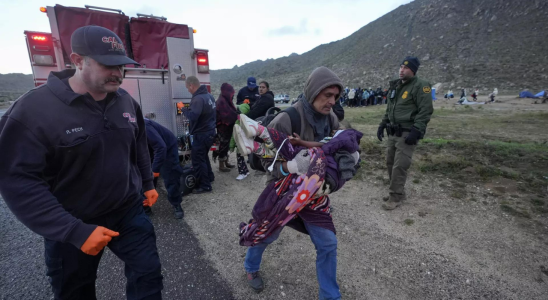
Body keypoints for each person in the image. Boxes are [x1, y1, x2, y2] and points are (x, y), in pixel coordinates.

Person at [0, 25, 163, 299]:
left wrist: (147, 183)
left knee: (148, 275)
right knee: (75, 291)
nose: (118, 73)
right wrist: (72, 230)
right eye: (108, 64)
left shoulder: (126, 102)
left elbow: (139, 146)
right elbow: (17, 180)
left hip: (128, 211)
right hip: (73, 220)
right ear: (77, 60)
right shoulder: (32, 111)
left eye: (121, 66)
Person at [242, 67, 345, 300]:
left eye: (335, 96)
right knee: (267, 234)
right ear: (313, 91)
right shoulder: (286, 120)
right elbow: (264, 162)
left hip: (313, 194)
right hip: (282, 193)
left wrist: (335, 177)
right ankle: (250, 267)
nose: (331, 101)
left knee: (327, 242)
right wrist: (292, 168)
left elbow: (340, 151)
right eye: (327, 95)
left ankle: (330, 296)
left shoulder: (331, 119)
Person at [377, 56, 434, 210]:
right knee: (390, 163)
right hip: (393, 131)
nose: (402, 70)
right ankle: (397, 192)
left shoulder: (421, 86)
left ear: (413, 70)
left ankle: (395, 197)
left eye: (406, 68)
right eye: (401, 67)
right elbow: (390, 109)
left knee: (400, 165)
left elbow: (425, 110)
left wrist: (417, 129)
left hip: (407, 133)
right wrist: (382, 124)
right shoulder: (396, 86)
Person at [144, 115, 185, 219]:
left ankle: (176, 204)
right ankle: (146, 205)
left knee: (170, 175)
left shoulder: (143, 125)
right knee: (144, 176)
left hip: (167, 146)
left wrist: (155, 170)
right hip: (150, 148)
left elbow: (161, 147)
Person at [182, 76, 216, 194]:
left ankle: (205, 186)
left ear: (192, 85)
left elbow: (193, 116)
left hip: (201, 134)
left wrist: (183, 109)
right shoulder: (209, 96)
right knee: (203, 157)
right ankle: (210, 177)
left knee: (198, 160)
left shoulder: (198, 99)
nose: (188, 90)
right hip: (210, 133)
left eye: (188, 88)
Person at [215, 83, 238, 173]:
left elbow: (232, 112)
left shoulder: (227, 101)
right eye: (231, 93)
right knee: (223, 145)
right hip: (223, 128)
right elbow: (225, 116)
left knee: (226, 145)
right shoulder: (221, 102)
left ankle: (226, 162)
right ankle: (221, 165)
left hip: (227, 127)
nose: (232, 95)